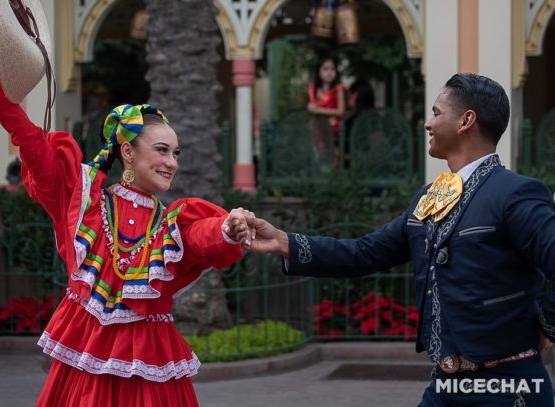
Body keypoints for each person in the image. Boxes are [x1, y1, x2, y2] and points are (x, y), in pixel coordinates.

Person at [0, 8, 253, 406]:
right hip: (86, 366)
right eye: (162, 150)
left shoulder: (171, 222)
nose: (172, 162)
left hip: (150, 365)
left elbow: (200, 237)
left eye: (176, 153)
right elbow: (25, 136)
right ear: (127, 152)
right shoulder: (83, 200)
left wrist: (228, 226)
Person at [237, 72, 555, 406]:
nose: (427, 124)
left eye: (436, 113)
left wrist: (546, 327)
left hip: (509, 386)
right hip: (445, 385)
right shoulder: (430, 197)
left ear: (466, 120)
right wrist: (283, 241)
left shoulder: (515, 193)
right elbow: (365, 253)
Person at [307, 56, 345, 166]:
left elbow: (341, 111)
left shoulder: (338, 89)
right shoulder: (312, 89)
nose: (329, 72)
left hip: (333, 127)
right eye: (325, 69)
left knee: (332, 156)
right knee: (317, 156)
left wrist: (319, 110)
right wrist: (310, 107)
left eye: (332, 69)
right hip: (316, 127)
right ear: (319, 71)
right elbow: (310, 107)